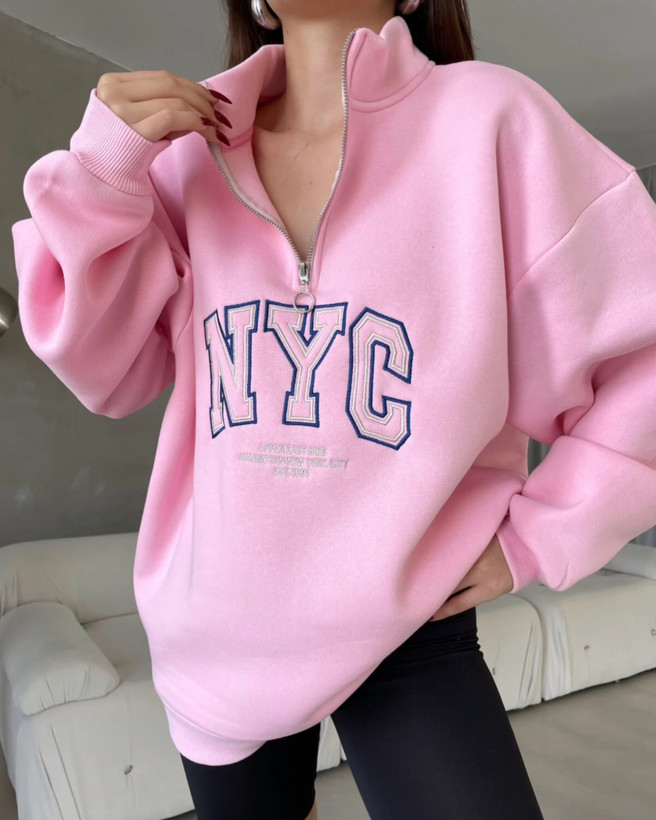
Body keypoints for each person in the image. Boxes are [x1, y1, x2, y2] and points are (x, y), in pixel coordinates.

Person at [11, 0, 656, 817]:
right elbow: (108, 370)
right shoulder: (187, 153)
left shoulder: (492, 122)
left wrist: (537, 535)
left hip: (410, 619)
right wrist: (103, 175)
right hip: (218, 632)